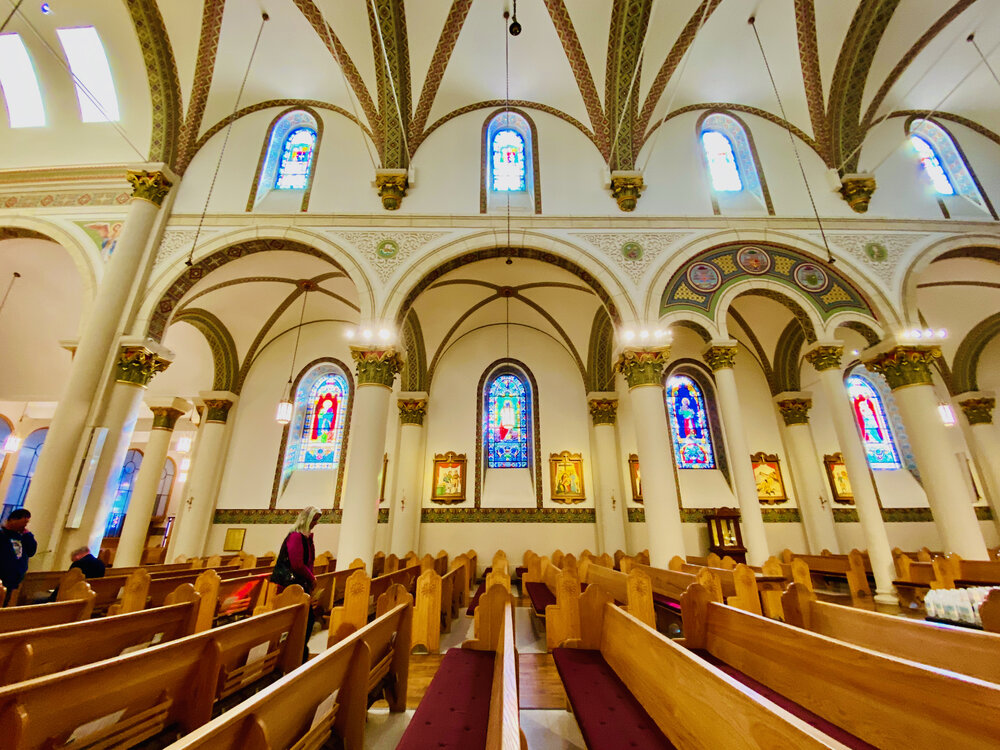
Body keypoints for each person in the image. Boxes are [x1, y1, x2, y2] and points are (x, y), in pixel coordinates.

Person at [272, 506, 321, 659]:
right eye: (314, 520)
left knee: (307, 620)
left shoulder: (306, 538)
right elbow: (297, 564)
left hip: (300, 585)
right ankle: (290, 655)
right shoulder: (295, 536)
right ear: (306, 519)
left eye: (317, 520)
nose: (315, 523)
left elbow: (308, 561)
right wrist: (311, 578)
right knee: (297, 621)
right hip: (290, 587)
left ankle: (298, 652)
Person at [0, 509, 37, 605]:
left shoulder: (23, 536)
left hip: (13, 579)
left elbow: (31, 551)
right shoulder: (2, 535)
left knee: (5, 604)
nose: (24, 526)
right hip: (2, 576)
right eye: (23, 522)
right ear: (12, 520)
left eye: (26, 523)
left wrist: (27, 535)